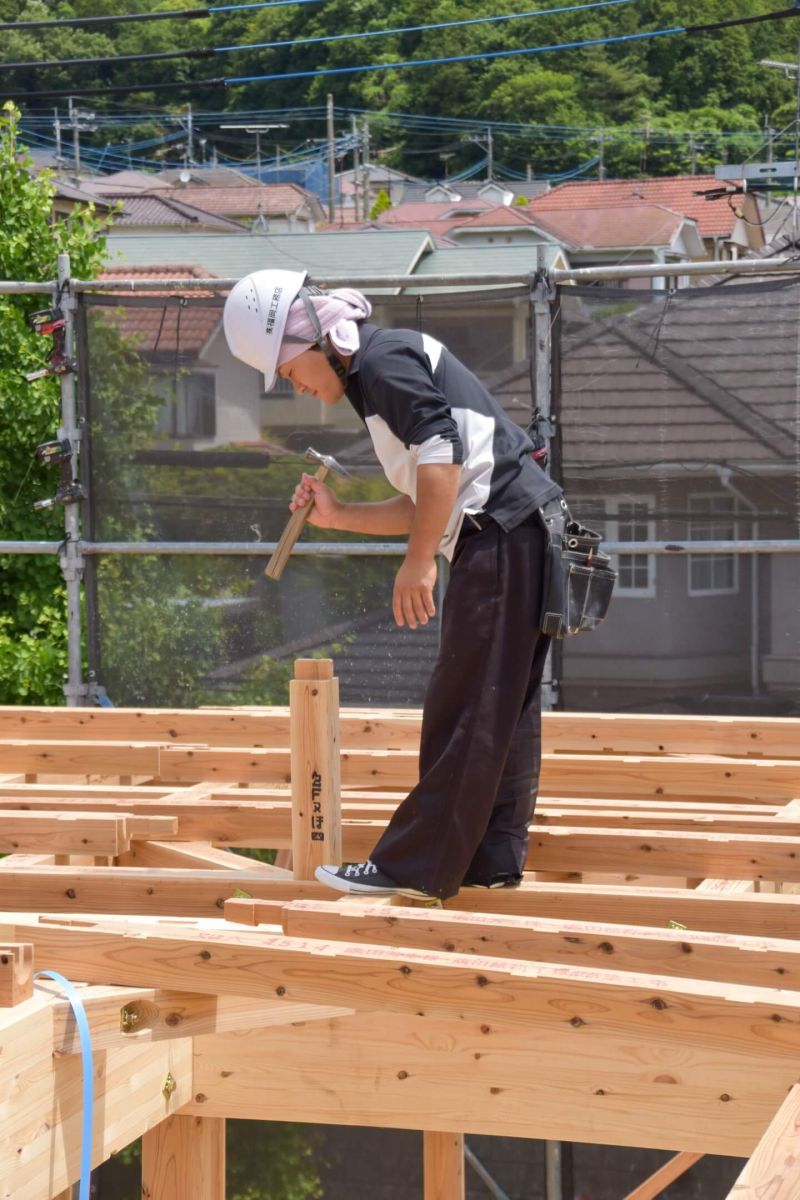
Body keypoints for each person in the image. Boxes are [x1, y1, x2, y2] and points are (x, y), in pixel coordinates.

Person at [223, 268, 563, 900]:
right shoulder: (376, 376)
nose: (293, 384)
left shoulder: (382, 362)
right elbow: (426, 496)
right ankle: (488, 861)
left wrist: (419, 563)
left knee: (464, 707)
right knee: (498, 708)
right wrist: (341, 515)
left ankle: (412, 868)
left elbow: (442, 459)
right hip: (513, 533)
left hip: (505, 534)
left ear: (315, 342)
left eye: (290, 369)